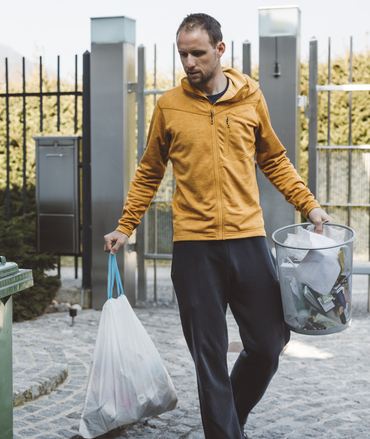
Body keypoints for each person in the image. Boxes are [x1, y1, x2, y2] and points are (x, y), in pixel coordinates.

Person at [103, 13, 332, 439]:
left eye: (198, 53)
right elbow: (149, 171)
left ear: (220, 50)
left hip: (248, 240)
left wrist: (310, 206)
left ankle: (231, 417)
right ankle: (224, 433)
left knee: (267, 344)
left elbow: (275, 159)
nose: (189, 62)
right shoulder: (169, 106)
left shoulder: (250, 98)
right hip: (194, 248)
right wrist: (126, 226)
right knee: (208, 357)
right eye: (183, 54)